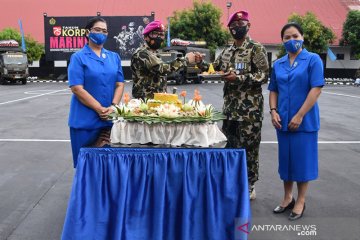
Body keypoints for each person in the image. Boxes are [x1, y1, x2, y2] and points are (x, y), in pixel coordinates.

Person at [198, 10, 269, 200]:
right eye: (234, 26)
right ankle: (231, 182)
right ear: (229, 29)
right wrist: (201, 63)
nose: (237, 28)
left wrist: (239, 78)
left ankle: (249, 185)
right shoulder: (227, 51)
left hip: (250, 112)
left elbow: (263, 75)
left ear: (248, 26)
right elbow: (215, 68)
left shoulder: (256, 48)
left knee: (249, 149)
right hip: (230, 110)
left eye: (241, 24)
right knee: (229, 147)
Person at [268, 22, 324, 220]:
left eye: (295, 36)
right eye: (287, 38)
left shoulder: (313, 60)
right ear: (282, 41)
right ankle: (287, 198)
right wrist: (273, 111)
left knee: (302, 162)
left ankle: (300, 200)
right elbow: (273, 89)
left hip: (305, 122)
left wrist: (300, 115)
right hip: (282, 121)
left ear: (302, 37)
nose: (292, 40)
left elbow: (316, 89)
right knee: (286, 162)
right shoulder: (278, 63)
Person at [68, 17, 124, 167]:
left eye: (104, 31)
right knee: (86, 165)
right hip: (85, 122)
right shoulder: (78, 58)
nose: (101, 33)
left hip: (109, 120)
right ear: (88, 32)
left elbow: (119, 84)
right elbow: (77, 88)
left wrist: (113, 106)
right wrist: (99, 109)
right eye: (97, 30)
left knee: (109, 165)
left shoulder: (114, 57)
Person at [131, 20, 185, 99]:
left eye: (161, 34)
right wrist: (185, 60)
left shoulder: (156, 53)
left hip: (159, 100)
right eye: (155, 34)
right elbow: (162, 69)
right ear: (146, 37)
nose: (159, 37)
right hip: (145, 102)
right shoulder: (141, 53)